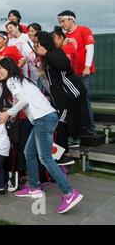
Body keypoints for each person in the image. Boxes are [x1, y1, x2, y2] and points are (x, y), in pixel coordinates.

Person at [0, 57, 83, 214]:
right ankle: (34, 187)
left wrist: (8, 113)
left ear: (9, 68)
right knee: (29, 152)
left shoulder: (11, 81)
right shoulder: (23, 80)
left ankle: (69, 193)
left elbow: (23, 100)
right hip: (45, 117)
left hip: (42, 119)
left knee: (45, 158)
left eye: (0, 68)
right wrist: (14, 113)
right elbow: (28, 101)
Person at [34, 31, 89, 164]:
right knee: (59, 123)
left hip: (71, 94)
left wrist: (46, 53)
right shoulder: (44, 58)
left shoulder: (56, 53)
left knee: (59, 123)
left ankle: (66, 155)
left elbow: (64, 64)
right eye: (34, 42)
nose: (35, 45)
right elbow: (48, 81)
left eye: (38, 42)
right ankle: (64, 154)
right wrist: (48, 95)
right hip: (60, 96)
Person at [57, 10, 96, 135]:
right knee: (74, 101)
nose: (62, 24)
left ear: (71, 19)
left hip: (83, 72)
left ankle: (90, 128)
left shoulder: (84, 30)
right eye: (60, 22)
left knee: (84, 99)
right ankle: (78, 128)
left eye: (63, 21)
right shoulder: (65, 37)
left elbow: (90, 48)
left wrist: (87, 66)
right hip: (71, 74)